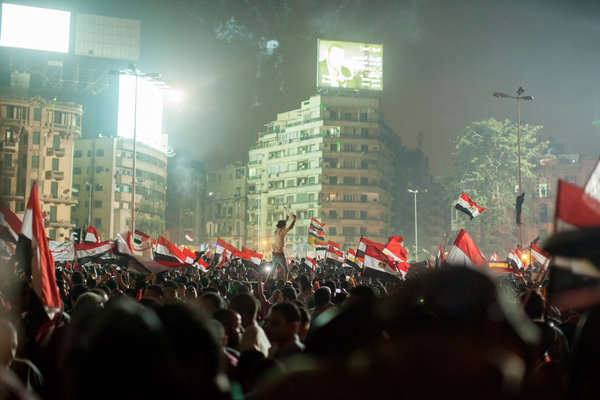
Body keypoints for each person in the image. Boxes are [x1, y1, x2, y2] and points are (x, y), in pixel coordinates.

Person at [272, 214, 296, 282]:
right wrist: (294, 220)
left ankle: (267, 280)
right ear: (283, 226)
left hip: (274, 254)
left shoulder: (276, 231)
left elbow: (282, 225)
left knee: (272, 270)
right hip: (279, 254)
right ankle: (285, 283)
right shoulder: (282, 232)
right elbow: (290, 227)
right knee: (286, 270)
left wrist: (286, 219)